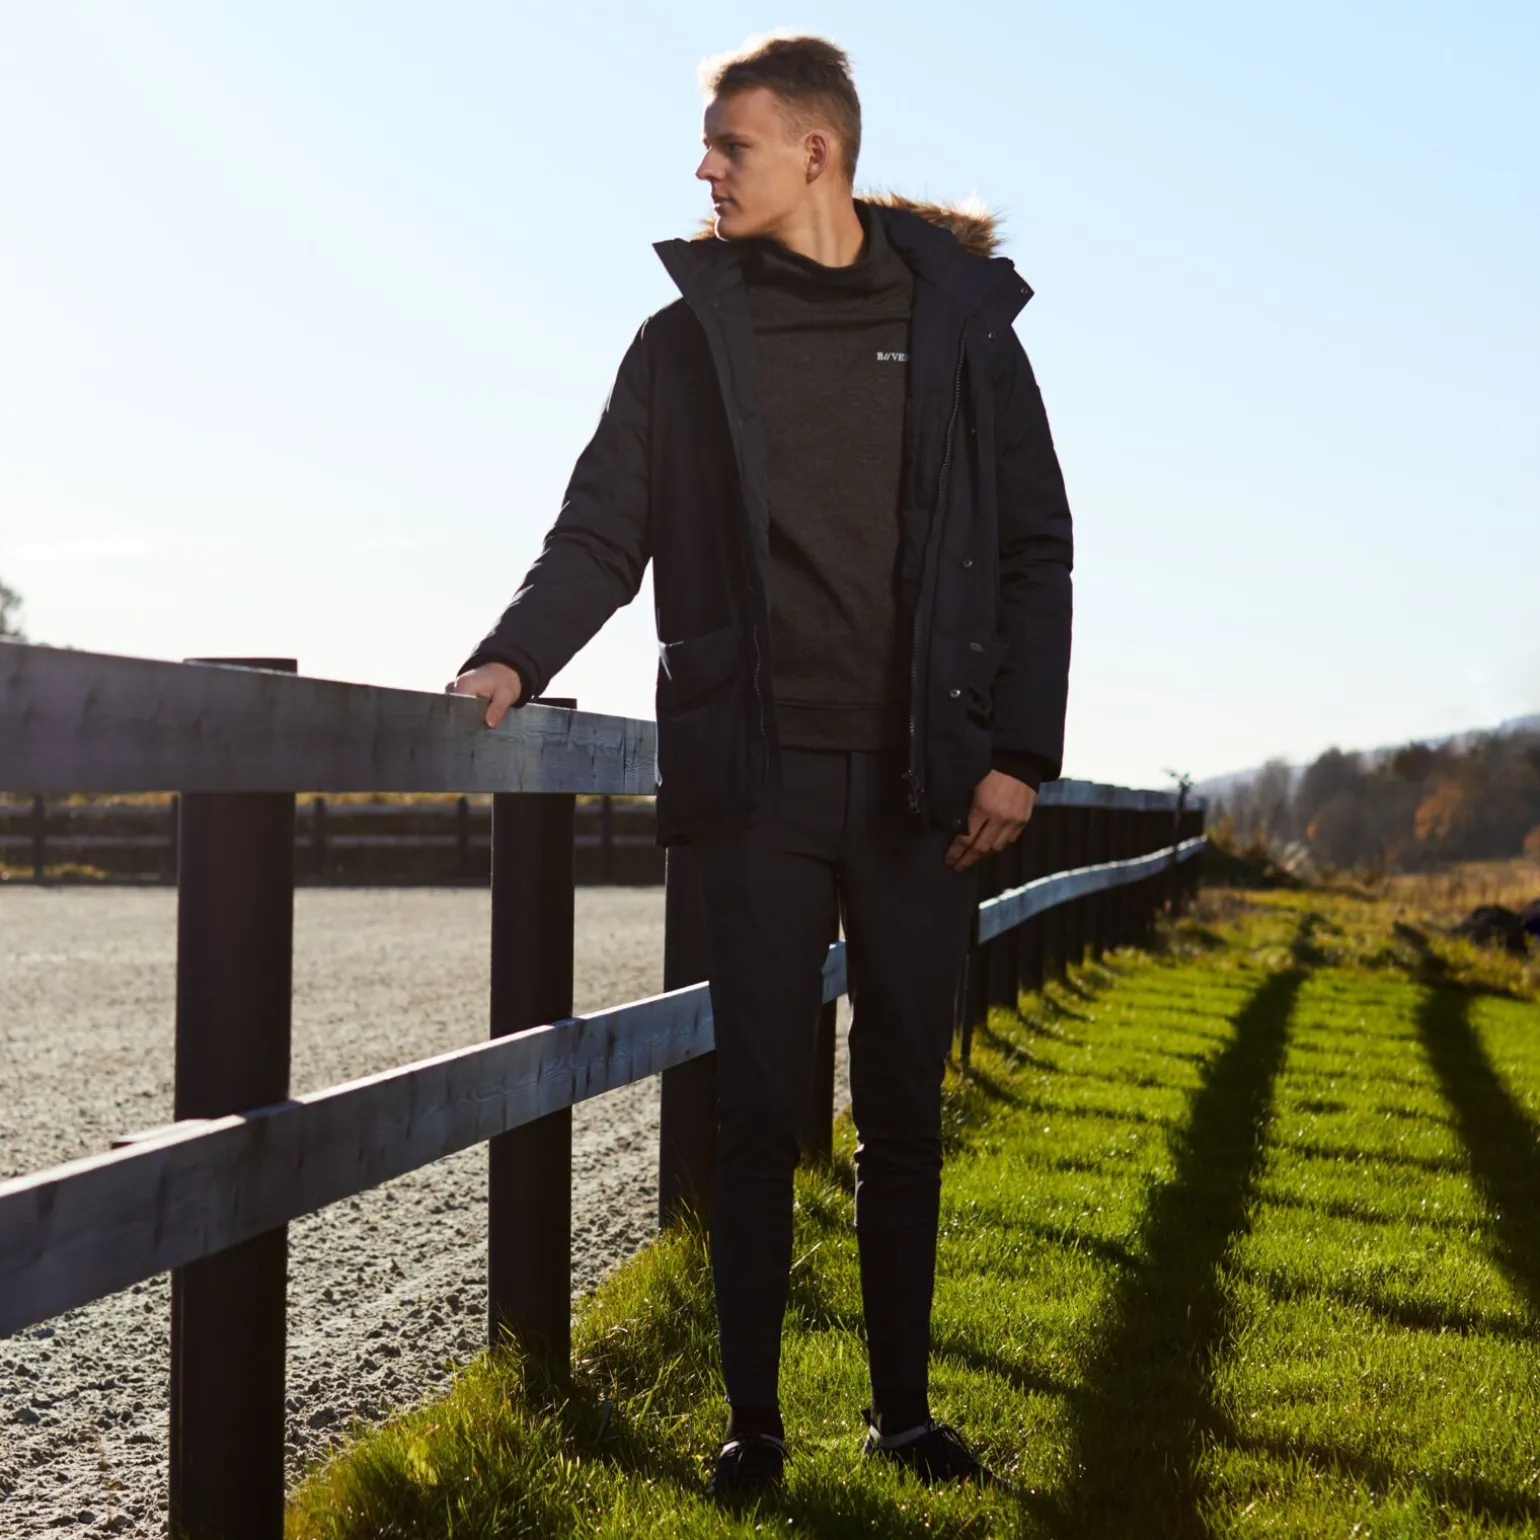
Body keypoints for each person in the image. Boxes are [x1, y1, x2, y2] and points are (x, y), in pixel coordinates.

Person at [449, 33, 1073, 1498]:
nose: (705, 170)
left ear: (815, 151)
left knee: (902, 1111)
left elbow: (1036, 548)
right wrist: (511, 657)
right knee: (753, 1111)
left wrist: (1017, 754)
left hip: (926, 788)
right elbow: (601, 531)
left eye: (729, 145)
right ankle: (754, 1425)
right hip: (756, 781)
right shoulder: (683, 343)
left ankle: (903, 1416)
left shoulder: (965, 330)